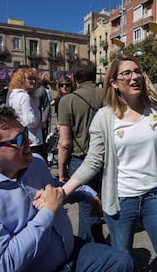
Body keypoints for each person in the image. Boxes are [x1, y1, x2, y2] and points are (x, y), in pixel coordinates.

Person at [59, 55, 157, 271]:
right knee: (123, 256)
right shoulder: (104, 117)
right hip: (121, 200)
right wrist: (64, 192)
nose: (134, 76)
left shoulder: (156, 109)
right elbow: (93, 161)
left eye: (137, 71)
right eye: (126, 73)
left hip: (155, 196)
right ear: (113, 82)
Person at [0, 107, 133, 272]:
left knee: (121, 262)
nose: (29, 141)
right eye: (19, 140)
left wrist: (87, 193)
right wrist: (48, 212)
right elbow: (5, 262)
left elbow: (55, 188)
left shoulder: (35, 163)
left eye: (25, 133)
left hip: (70, 253)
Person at [57, 59, 104, 243]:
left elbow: (65, 143)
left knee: (87, 208)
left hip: (81, 160)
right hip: (107, 158)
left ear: (74, 78)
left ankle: (92, 252)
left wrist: (61, 173)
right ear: (94, 75)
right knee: (106, 204)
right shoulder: (109, 96)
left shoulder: (67, 101)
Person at [8, 68, 46, 160]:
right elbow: (29, 121)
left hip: (21, 138)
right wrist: (40, 123)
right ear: (21, 80)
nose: (33, 81)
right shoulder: (24, 96)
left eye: (34, 79)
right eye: (29, 79)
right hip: (32, 139)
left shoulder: (13, 95)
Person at [36, 79, 51, 146]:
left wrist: (44, 120)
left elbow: (47, 105)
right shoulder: (17, 90)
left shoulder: (41, 90)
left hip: (38, 123)